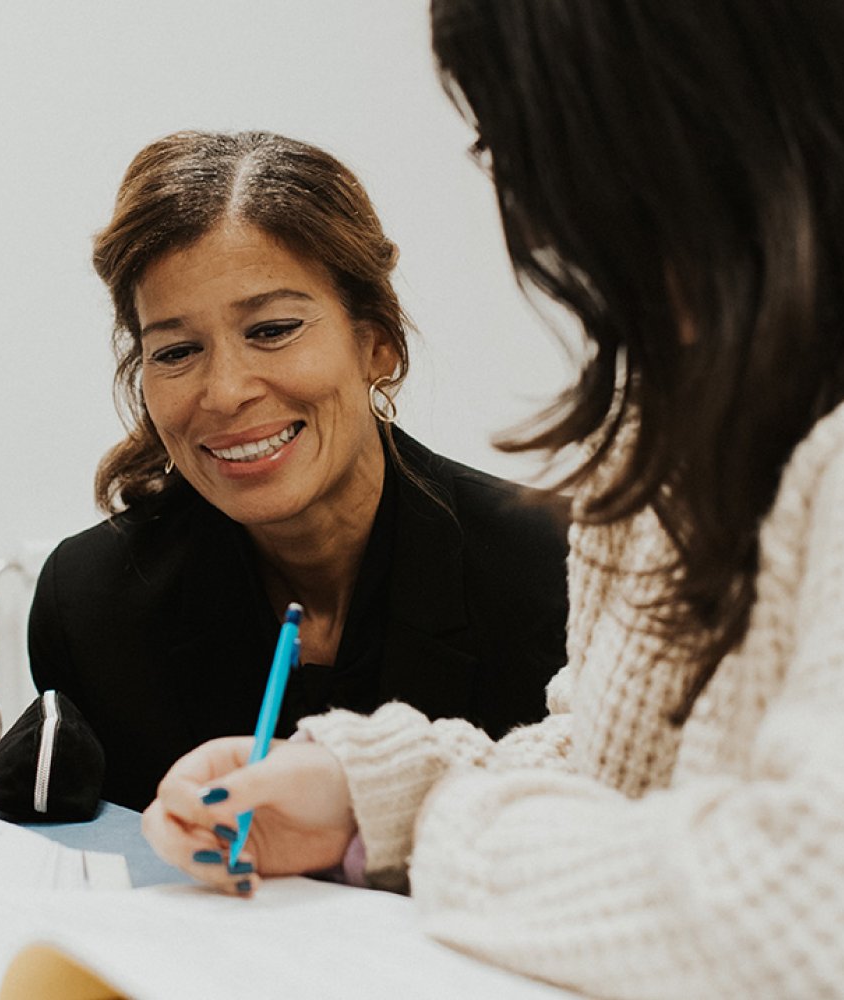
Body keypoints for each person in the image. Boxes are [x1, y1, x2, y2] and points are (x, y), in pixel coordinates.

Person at [142, 0, 844, 995]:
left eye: (517, 142)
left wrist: (451, 831)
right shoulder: (674, 425)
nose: (525, 204)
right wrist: (366, 796)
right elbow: (610, 758)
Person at [28, 130, 569, 812]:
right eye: (177, 351)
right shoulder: (91, 607)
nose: (224, 392)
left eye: (273, 330)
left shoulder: (557, 574)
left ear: (376, 343)